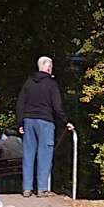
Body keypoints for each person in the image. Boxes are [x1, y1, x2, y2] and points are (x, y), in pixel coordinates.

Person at [17, 56, 72, 196]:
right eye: (51, 67)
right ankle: (42, 188)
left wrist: (20, 122)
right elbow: (57, 106)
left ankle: (27, 188)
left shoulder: (28, 83)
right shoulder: (51, 84)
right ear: (48, 67)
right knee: (45, 154)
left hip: (29, 120)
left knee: (28, 155)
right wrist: (66, 121)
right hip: (46, 122)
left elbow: (20, 103)